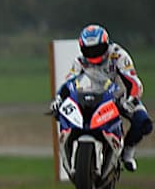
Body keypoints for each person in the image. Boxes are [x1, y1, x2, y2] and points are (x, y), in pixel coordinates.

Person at [50, 24, 152, 171]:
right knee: (64, 115)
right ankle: (71, 156)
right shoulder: (80, 61)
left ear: (105, 44)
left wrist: (131, 100)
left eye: (97, 49)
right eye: (88, 50)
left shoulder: (119, 55)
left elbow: (134, 83)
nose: (92, 54)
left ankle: (127, 152)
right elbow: (68, 83)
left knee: (144, 122)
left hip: (120, 98)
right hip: (90, 97)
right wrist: (58, 99)